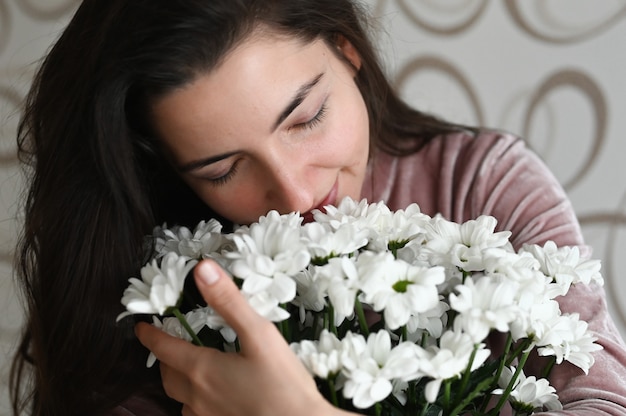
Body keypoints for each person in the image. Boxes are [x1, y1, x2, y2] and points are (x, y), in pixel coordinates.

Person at [9, 0, 626, 415]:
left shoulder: (480, 183)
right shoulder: (160, 287)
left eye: (306, 119)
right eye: (222, 170)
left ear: (346, 49)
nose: (298, 196)